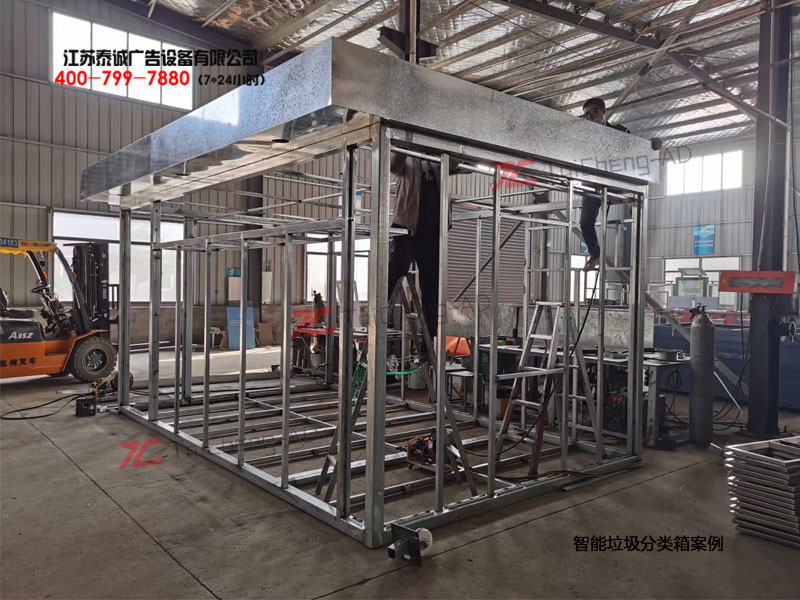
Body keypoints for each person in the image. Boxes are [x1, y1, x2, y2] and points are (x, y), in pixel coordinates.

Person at [387, 153, 448, 349]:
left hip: (432, 231)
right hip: (406, 228)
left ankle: (430, 336)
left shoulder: (438, 161)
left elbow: (455, 164)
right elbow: (393, 165)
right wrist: (406, 146)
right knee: (393, 276)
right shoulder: (408, 160)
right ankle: (381, 325)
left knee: (432, 286)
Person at [579, 97, 631, 272]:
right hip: (592, 183)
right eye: (586, 114)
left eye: (594, 111)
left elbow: (633, 150)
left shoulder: (619, 132)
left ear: (603, 111)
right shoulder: (582, 137)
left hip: (615, 180)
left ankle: (632, 203)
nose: (590, 116)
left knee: (635, 205)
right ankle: (595, 254)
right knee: (585, 223)